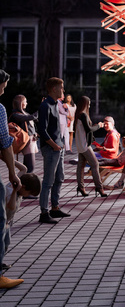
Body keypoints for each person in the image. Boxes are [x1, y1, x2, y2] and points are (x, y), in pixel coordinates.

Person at [0, 70, 25, 287]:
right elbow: (5, 143)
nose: (4, 90)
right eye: (4, 86)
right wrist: (11, 172)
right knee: (1, 221)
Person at [38, 77, 70, 223]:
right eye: (61, 87)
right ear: (54, 88)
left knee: (59, 178)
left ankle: (55, 208)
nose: (63, 90)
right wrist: (54, 145)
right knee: (48, 181)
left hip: (58, 147)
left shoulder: (55, 104)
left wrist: (61, 144)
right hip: (51, 149)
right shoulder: (45, 106)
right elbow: (42, 130)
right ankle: (44, 213)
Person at [2, 168, 40, 284]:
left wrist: (9, 160)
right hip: (2, 222)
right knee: (2, 243)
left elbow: (23, 168)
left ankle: (1, 260)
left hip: (8, 222)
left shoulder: (17, 182)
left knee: (6, 243)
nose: (27, 196)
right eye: (28, 193)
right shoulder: (10, 190)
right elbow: (11, 207)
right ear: (23, 187)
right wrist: (14, 191)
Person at [73, 96, 108, 198]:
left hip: (80, 143)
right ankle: (99, 187)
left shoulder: (79, 114)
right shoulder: (83, 115)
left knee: (81, 165)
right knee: (95, 164)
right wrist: (99, 126)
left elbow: (84, 130)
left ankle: (81, 187)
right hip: (84, 145)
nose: (89, 105)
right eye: (88, 103)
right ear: (85, 104)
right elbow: (88, 129)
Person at [9, 95, 37, 173]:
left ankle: (23, 183)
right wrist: (41, 109)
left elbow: (32, 121)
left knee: (27, 166)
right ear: (21, 103)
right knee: (30, 167)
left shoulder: (24, 113)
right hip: (27, 142)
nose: (26, 103)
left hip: (31, 141)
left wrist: (35, 133)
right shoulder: (15, 114)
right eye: (25, 102)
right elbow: (30, 117)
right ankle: (17, 183)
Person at [63, 94, 77, 161]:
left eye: (70, 98)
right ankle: (66, 148)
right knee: (66, 135)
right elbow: (63, 113)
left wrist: (74, 118)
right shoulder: (65, 105)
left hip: (73, 121)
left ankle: (70, 148)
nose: (69, 99)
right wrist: (69, 117)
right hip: (67, 120)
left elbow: (76, 112)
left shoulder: (74, 105)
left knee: (71, 134)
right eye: (68, 98)